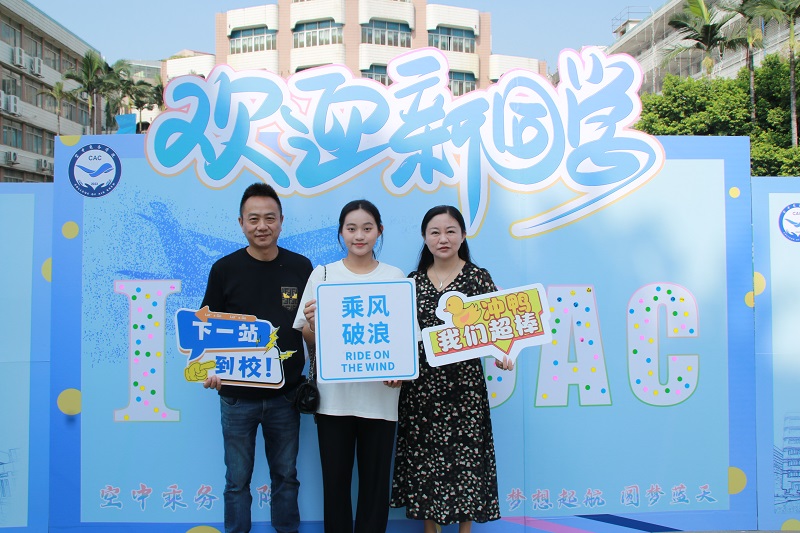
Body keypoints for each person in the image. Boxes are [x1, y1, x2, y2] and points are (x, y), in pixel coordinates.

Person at [391, 205, 512, 533]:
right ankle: (430, 529)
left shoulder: (478, 278)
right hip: (421, 390)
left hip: (465, 389)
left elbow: (499, 329)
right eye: (435, 232)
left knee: (465, 463)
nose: (442, 238)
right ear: (424, 237)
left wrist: (504, 354)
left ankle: (465, 529)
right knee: (426, 462)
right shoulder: (412, 282)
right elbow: (400, 334)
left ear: (463, 235)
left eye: (450, 231)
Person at [202, 182, 313, 533]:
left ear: (281, 221)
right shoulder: (224, 269)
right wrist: (209, 370)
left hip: (286, 395)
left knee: (286, 476)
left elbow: (309, 327)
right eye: (253, 219)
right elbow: (207, 329)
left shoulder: (301, 267)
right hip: (236, 397)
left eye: (269, 218)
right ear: (241, 223)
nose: (262, 226)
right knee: (236, 481)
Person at [293, 199, 406, 533]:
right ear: (341, 232)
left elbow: (404, 337)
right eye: (351, 228)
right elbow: (308, 338)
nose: (359, 236)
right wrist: (313, 323)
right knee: (335, 486)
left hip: (381, 399)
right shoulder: (323, 274)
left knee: (375, 488)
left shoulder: (394, 277)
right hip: (334, 400)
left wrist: (400, 372)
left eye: (367, 228)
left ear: (379, 231)